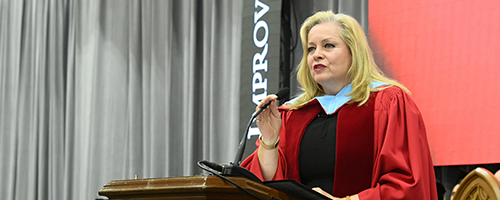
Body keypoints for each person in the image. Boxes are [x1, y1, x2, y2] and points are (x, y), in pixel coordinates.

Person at [240, 10, 438, 200]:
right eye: (311, 48)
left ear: (354, 53)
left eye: (328, 46)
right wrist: (270, 140)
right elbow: (263, 185)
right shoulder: (293, 116)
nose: (316, 54)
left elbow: (407, 183)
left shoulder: (387, 103)